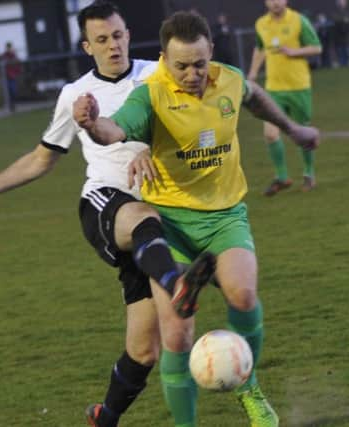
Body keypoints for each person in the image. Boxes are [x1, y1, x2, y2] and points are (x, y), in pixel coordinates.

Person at [0, 3, 214, 427]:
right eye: (102, 40)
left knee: (145, 350)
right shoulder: (76, 95)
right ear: (88, 46)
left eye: (118, 35)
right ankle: (177, 283)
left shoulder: (157, 74)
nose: (113, 45)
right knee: (143, 220)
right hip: (105, 205)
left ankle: (104, 418)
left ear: (127, 34)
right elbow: (40, 160)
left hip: (156, 220)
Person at [73, 11, 320, 427]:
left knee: (243, 295)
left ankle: (249, 387)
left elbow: (254, 96)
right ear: (165, 60)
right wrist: (92, 122)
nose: (192, 73)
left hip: (225, 217)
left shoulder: (230, 79)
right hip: (170, 223)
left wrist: (294, 130)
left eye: (200, 64)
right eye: (181, 65)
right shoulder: (150, 95)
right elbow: (116, 130)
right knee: (177, 334)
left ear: (212, 55)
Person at [247, 0, 322, 195]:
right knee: (270, 133)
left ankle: (308, 173)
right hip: (273, 89)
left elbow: (316, 47)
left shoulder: (299, 20)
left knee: (302, 132)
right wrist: (253, 74)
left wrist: (295, 52)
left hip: (299, 87)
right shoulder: (261, 24)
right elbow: (260, 48)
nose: (275, 3)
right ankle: (282, 177)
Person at [0, 42, 22, 112]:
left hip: (12, 77)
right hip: (6, 77)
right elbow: (3, 63)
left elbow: (17, 63)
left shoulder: (13, 55)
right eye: (8, 47)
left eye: (10, 47)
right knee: (9, 92)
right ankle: (11, 107)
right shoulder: (4, 55)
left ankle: (13, 105)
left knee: (13, 91)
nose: (9, 49)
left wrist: (17, 73)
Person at [333, 0, 349, 67]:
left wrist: (346, 22)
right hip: (338, 38)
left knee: (347, 54)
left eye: (343, 2)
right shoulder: (335, 12)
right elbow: (336, 22)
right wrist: (344, 21)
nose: (342, 3)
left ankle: (347, 66)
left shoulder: (348, 12)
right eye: (340, 2)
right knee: (340, 54)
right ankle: (342, 66)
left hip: (346, 37)